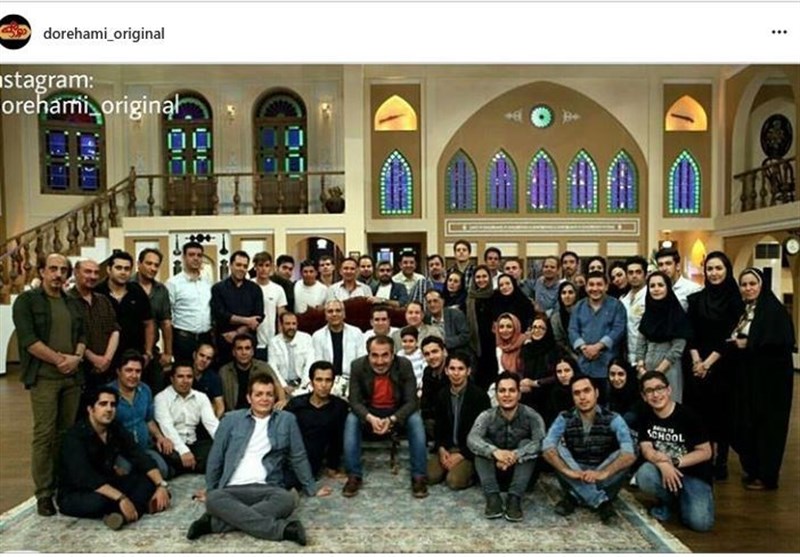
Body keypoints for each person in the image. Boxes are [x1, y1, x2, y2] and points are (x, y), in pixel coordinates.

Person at [187, 373, 332, 545]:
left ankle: (215, 524)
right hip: (232, 488)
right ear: (249, 398)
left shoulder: (287, 420)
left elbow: (298, 456)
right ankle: (284, 530)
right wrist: (211, 488)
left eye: (269, 394)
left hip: (268, 487)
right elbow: (216, 457)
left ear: (274, 397)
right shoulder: (230, 420)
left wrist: (311, 488)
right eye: (259, 394)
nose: (264, 399)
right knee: (213, 499)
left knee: (288, 500)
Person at [12, 252, 87, 516]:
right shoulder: (26, 301)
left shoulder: (72, 302)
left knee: (65, 435)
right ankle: (43, 493)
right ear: (42, 271)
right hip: (44, 378)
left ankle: (60, 485)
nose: (58, 274)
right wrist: (59, 360)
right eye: (53, 269)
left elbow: (82, 334)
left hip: (72, 378)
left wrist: (76, 358)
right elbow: (29, 340)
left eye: (63, 270)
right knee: (44, 435)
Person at [57, 387, 170, 530]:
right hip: (78, 492)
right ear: (90, 409)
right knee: (100, 501)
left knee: (147, 480)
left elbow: (138, 455)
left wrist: (161, 485)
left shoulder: (115, 427)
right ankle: (135, 507)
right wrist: (121, 498)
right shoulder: (75, 437)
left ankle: (119, 516)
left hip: (108, 482)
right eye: (103, 404)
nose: (109, 409)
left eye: (113, 405)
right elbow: (85, 478)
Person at [730, 267, 795, 491]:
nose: (748, 288)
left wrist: (749, 344)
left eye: (752, 284)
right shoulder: (746, 309)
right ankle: (754, 469)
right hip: (749, 378)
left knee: (768, 427)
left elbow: (781, 342)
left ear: (761, 285)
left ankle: (767, 476)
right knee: (747, 423)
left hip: (770, 384)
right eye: (744, 284)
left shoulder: (774, 311)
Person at [342, 335, 429, 498]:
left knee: (415, 419)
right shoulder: (357, 366)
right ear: (368, 354)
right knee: (351, 419)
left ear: (393, 354)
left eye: (385, 355)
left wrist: (392, 419)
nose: (380, 361)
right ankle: (353, 475)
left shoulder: (404, 365)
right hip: (369, 413)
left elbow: (412, 402)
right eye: (374, 355)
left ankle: (419, 476)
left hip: (397, 412)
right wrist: (369, 418)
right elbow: (354, 401)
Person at [542, 374, 636, 524]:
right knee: (555, 448)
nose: (582, 397)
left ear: (596, 393)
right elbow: (547, 446)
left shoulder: (613, 418)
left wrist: (602, 473)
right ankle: (601, 502)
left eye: (587, 391)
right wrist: (569, 472)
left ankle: (574, 496)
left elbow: (629, 453)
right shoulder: (564, 417)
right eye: (577, 393)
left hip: (603, 473)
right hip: (574, 470)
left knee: (628, 452)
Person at [685, 251, 743, 480]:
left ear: (727, 270)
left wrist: (708, 363)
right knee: (701, 414)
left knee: (722, 414)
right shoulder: (696, 299)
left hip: (724, 364)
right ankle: (705, 457)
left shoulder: (735, 301)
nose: (714, 273)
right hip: (697, 364)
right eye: (710, 269)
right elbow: (690, 332)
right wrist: (697, 361)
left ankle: (721, 460)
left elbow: (730, 336)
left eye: (718, 268)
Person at [635, 371, 714, 532]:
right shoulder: (644, 415)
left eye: (659, 388)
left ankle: (682, 501)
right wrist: (663, 464)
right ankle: (668, 500)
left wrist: (674, 462)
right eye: (649, 391)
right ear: (644, 396)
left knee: (701, 524)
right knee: (644, 474)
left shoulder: (688, 416)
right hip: (662, 472)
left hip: (693, 475)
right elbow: (646, 448)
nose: (655, 395)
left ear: (669, 390)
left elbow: (706, 452)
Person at [467, 371, 546, 522]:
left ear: (519, 394)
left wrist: (515, 454)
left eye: (512, 390)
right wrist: (495, 452)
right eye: (502, 391)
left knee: (526, 443)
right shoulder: (487, 415)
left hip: (522, 474)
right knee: (483, 443)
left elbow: (541, 441)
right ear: (496, 395)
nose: (507, 395)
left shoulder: (532, 416)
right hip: (493, 472)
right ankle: (492, 498)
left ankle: (514, 499)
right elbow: (472, 438)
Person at [428, 352, 491, 490]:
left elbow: (484, 433)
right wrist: (441, 449)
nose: (456, 373)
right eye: (452, 368)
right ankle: (448, 466)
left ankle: (470, 472)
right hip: (448, 447)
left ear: (468, 371)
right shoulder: (442, 395)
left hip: (469, 450)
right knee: (429, 476)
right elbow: (438, 427)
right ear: (446, 371)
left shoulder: (479, 396)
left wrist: (462, 455)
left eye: (461, 369)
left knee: (454, 481)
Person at [107, 350, 173, 479]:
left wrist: (160, 437)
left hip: (144, 449)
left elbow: (149, 420)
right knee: (125, 476)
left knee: (162, 471)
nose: (134, 375)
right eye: (129, 370)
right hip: (121, 452)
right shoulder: (108, 394)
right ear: (118, 371)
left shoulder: (145, 390)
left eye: (138, 371)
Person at [635, 271, 692, 403]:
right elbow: (641, 342)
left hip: (669, 367)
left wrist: (658, 373)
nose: (656, 289)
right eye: (652, 286)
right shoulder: (647, 314)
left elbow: (678, 347)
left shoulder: (676, 313)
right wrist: (641, 366)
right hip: (647, 367)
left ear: (668, 288)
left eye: (660, 285)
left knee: (669, 403)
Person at [285, 361, 349, 478]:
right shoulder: (296, 404)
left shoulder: (339, 407)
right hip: (291, 455)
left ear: (333, 382)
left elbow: (337, 439)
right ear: (311, 382)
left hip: (313, 461)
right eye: (319, 380)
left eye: (328, 380)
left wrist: (332, 467)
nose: (323, 385)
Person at [567, 271, 627, 394]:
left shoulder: (616, 306)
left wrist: (598, 346)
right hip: (584, 365)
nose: (595, 288)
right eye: (591, 285)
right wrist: (584, 347)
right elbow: (572, 329)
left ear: (606, 286)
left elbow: (618, 329)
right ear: (586, 287)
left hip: (608, 366)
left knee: (608, 400)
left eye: (599, 284)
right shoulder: (578, 306)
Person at [154, 362, 219, 474]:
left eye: (189, 377)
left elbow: (212, 425)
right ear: (172, 379)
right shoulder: (161, 398)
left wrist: (225, 445)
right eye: (180, 376)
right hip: (173, 446)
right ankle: (195, 466)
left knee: (218, 450)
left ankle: (185, 467)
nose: (185, 381)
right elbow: (167, 428)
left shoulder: (201, 397)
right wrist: (183, 451)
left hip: (194, 445)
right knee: (168, 454)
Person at [95, 251, 155, 370]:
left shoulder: (137, 291)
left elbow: (148, 323)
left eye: (127, 269)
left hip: (134, 356)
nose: (123, 272)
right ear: (109, 269)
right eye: (118, 268)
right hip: (105, 357)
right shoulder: (97, 292)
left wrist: (148, 353)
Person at [68, 259, 120, 389]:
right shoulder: (66, 301)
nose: (92, 276)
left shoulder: (103, 300)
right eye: (88, 272)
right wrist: (94, 359)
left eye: (96, 273)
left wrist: (107, 359)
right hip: (79, 371)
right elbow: (72, 336)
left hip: (106, 369)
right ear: (76, 273)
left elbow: (114, 330)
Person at [210, 250, 264, 367]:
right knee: (225, 374)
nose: (241, 269)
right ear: (231, 265)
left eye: (245, 266)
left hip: (248, 342)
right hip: (225, 342)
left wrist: (237, 333)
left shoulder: (255, 289)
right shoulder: (218, 288)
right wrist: (247, 321)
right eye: (238, 265)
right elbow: (220, 314)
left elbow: (259, 317)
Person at [166, 242, 213, 363]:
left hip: (205, 338)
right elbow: (167, 315)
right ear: (184, 257)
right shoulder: (173, 283)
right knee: (184, 372)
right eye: (191, 255)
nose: (196, 258)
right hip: (184, 339)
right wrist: (168, 349)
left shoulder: (207, 281)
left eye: (199, 255)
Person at [134, 248, 174, 391]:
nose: (152, 268)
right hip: (128, 349)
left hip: (152, 351)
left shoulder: (161, 290)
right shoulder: (127, 285)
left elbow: (165, 323)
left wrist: (168, 353)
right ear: (139, 264)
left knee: (156, 389)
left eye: (156, 265)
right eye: (148, 263)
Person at [311, 299, 366, 396]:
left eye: (338, 310)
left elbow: (361, 361)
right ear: (325, 316)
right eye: (330, 311)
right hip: (327, 381)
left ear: (344, 314)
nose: (334, 314)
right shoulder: (318, 336)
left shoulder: (356, 333)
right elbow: (318, 363)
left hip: (352, 380)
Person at [218, 333, 287, 411]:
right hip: (234, 413)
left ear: (252, 352)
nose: (244, 352)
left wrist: (282, 400)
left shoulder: (263, 367)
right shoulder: (224, 371)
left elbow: (277, 385)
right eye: (239, 348)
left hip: (260, 411)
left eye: (247, 348)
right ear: (233, 352)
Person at [466, 265, 497, 390]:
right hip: (476, 345)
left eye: (484, 276)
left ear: (489, 278)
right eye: (478, 277)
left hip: (494, 343)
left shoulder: (496, 296)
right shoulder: (469, 298)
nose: (481, 279)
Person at [268, 312, 314, 396]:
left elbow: (309, 363)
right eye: (287, 324)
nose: (291, 327)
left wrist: (305, 384)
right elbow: (273, 367)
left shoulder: (306, 338)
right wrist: (284, 386)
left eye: (294, 324)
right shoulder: (274, 342)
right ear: (281, 325)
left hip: (303, 384)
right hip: (282, 385)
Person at [519, 313, 557, 413]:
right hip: (527, 395)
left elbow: (556, 376)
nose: (537, 330)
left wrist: (535, 383)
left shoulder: (554, 350)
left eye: (541, 328)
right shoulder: (526, 349)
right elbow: (520, 371)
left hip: (548, 394)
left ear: (548, 331)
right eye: (534, 327)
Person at [253, 251, 288, 362]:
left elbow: (281, 317)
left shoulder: (278, 289)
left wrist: (280, 340)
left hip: (271, 340)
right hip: (251, 340)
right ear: (255, 267)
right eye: (260, 265)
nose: (263, 269)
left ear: (271, 267)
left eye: (267, 265)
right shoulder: (248, 286)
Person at [620, 256, 648, 366]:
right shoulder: (623, 300)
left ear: (645, 274)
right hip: (626, 355)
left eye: (638, 272)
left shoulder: (650, 297)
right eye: (630, 272)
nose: (634, 276)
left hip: (646, 355)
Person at [420, 335, 449, 439]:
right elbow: (425, 402)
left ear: (444, 352)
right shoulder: (427, 372)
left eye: (435, 351)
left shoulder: (454, 369)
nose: (431, 357)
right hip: (433, 419)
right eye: (427, 354)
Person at [424, 289, 471, 353]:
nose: (432, 305)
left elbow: (465, 336)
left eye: (435, 301)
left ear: (442, 301)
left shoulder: (456, 314)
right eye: (429, 302)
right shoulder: (426, 319)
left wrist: (443, 342)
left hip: (457, 352)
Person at [655, 247, 702, 311]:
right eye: (660, 265)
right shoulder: (655, 290)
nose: (664, 268)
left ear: (677, 266)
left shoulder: (693, 289)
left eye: (668, 263)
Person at [605, 359, 642, 431]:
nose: (616, 379)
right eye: (612, 374)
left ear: (628, 374)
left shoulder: (638, 393)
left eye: (620, 374)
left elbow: (626, 421)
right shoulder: (609, 391)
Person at [191, 343, 224, 418]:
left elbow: (220, 406)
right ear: (194, 355)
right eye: (201, 355)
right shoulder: (184, 372)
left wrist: (215, 422)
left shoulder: (213, 377)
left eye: (208, 358)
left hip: (205, 417)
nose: (204, 360)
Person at [544, 356, 579, 427]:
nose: (563, 375)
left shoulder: (584, 388)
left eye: (567, 370)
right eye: (559, 372)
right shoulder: (554, 393)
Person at [550, 281, 579, 360]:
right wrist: (574, 357)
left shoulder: (585, 313)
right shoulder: (556, 318)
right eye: (563, 293)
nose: (567, 296)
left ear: (576, 295)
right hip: (568, 356)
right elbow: (560, 342)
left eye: (570, 292)